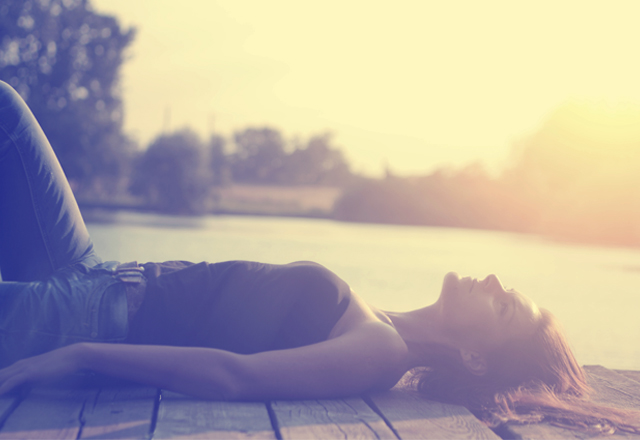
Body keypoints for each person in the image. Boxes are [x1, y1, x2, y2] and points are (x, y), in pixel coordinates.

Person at [0, 81, 637, 434]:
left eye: (502, 305)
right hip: (94, 273)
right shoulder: (381, 320)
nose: (493, 279)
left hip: (85, 320)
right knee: (8, 109)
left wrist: (79, 354)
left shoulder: (381, 350)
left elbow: (234, 376)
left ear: (475, 357)